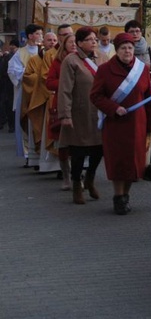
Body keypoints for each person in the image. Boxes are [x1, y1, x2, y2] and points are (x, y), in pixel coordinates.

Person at [90, 32, 151, 215]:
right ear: (116, 50)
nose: (127, 51)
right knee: (118, 162)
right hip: (116, 125)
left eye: (130, 48)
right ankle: (118, 196)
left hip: (137, 125)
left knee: (133, 163)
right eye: (123, 48)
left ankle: (126, 195)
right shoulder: (105, 70)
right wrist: (113, 108)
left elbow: (149, 99)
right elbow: (95, 96)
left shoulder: (142, 69)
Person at [57, 28, 108, 204]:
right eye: (89, 39)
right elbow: (64, 90)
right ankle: (77, 183)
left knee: (99, 149)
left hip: (99, 112)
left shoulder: (102, 57)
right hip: (79, 112)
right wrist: (65, 114)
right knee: (78, 151)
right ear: (79, 43)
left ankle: (90, 178)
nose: (94, 42)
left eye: (95, 39)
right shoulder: (71, 61)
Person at [21, 32, 59, 173]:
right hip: (39, 99)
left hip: (53, 98)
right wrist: (41, 79)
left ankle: (56, 164)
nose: (52, 42)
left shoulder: (59, 58)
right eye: (49, 40)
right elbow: (27, 77)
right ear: (43, 42)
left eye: (54, 40)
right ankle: (37, 160)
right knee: (39, 131)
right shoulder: (34, 59)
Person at [46, 33, 78, 192]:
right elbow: (49, 82)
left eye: (75, 42)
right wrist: (66, 82)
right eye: (70, 42)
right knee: (63, 142)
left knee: (80, 142)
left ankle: (78, 175)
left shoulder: (87, 61)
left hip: (81, 106)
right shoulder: (58, 61)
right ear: (64, 44)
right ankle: (66, 176)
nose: (73, 45)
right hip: (62, 104)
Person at [9, 24, 43, 164]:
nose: (40, 36)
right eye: (38, 33)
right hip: (26, 92)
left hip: (41, 91)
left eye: (41, 34)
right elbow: (12, 71)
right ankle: (28, 153)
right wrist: (30, 75)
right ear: (30, 36)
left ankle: (40, 152)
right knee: (26, 121)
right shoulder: (20, 53)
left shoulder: (44, 52)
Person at [0, 39, 19, 132]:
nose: (12, 48)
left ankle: (11, 125)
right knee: (9, 104)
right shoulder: (8, 57)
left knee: (9, 104)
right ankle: (11, 124)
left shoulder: (8, 57)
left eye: (14, 46)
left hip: (9, 84)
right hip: (9, 85)